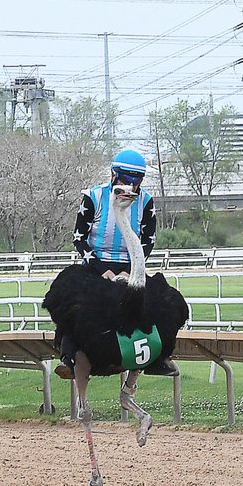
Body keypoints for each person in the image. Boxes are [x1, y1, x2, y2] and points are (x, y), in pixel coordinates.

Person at [57, 149, 177, 379]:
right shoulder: (93, 197)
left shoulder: (146, 201)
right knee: (71, 304)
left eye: (136, 181)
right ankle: (69, 358)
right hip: (95, 266)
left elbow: (148, 241)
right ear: (113, 175)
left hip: (130, 266)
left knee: (164, 302)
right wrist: (102, 270)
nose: (130, 187)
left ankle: (158, 357)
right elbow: (79, 238)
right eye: (124, 180)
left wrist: (130, 270)